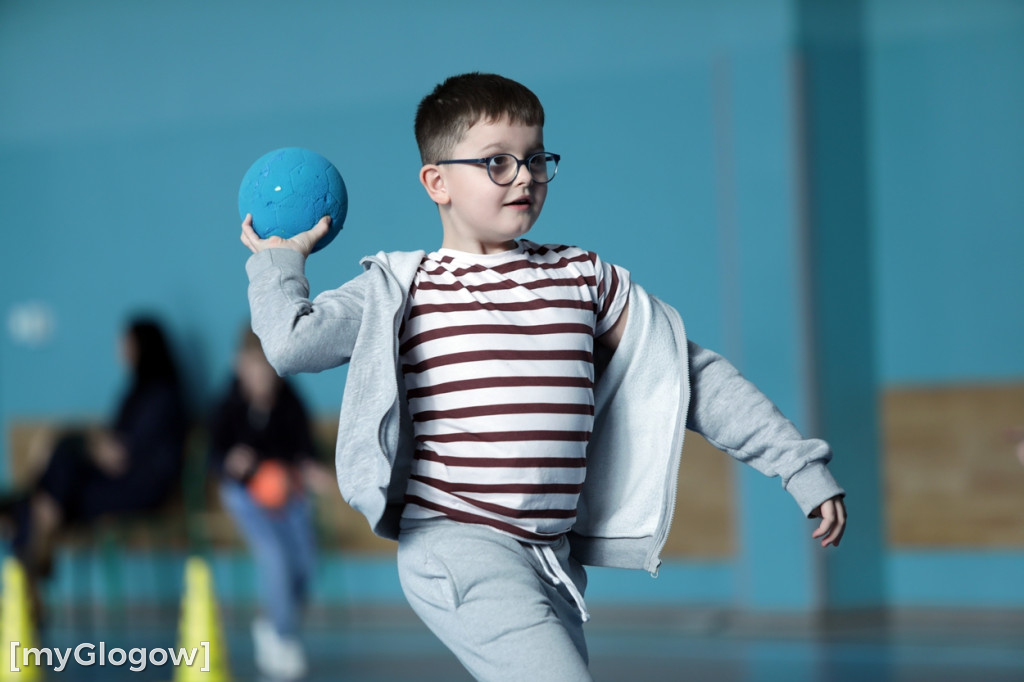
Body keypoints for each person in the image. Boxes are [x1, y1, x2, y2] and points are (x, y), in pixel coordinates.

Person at [239, 72, 848, 681]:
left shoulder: (583, 277)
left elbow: (691, 377)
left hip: (550, 555)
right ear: (437, 182)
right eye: (497, 162)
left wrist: (796, 463)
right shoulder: (403, 284)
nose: (524, 176)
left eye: (535, 159)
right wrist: (278, 262)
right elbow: (294, 343)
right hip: (457, 544)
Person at [7, 316, 188, 621]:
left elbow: (119, 456)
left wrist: (77, 443)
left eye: (126, 343)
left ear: (143, 347)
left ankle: (27, 586)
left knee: (40, 492)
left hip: (140, 489)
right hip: (119, 483)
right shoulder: (137, 392)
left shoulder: (161, 396)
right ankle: (37, 554)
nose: (120, 349)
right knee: (41, 498)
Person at [209, 327, 332, 681]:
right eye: (253, 369)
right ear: (239, 366)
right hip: (245, 495)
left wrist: (308, 469)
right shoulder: (227, 404)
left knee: (305, 560)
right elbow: (215, 457)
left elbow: (304, 450)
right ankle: (281, 635)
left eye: (267, 370)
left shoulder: (290, 400)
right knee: (275, 556)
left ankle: (272, 622)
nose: (261, 378)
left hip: (288, 494)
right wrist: (232, 461)